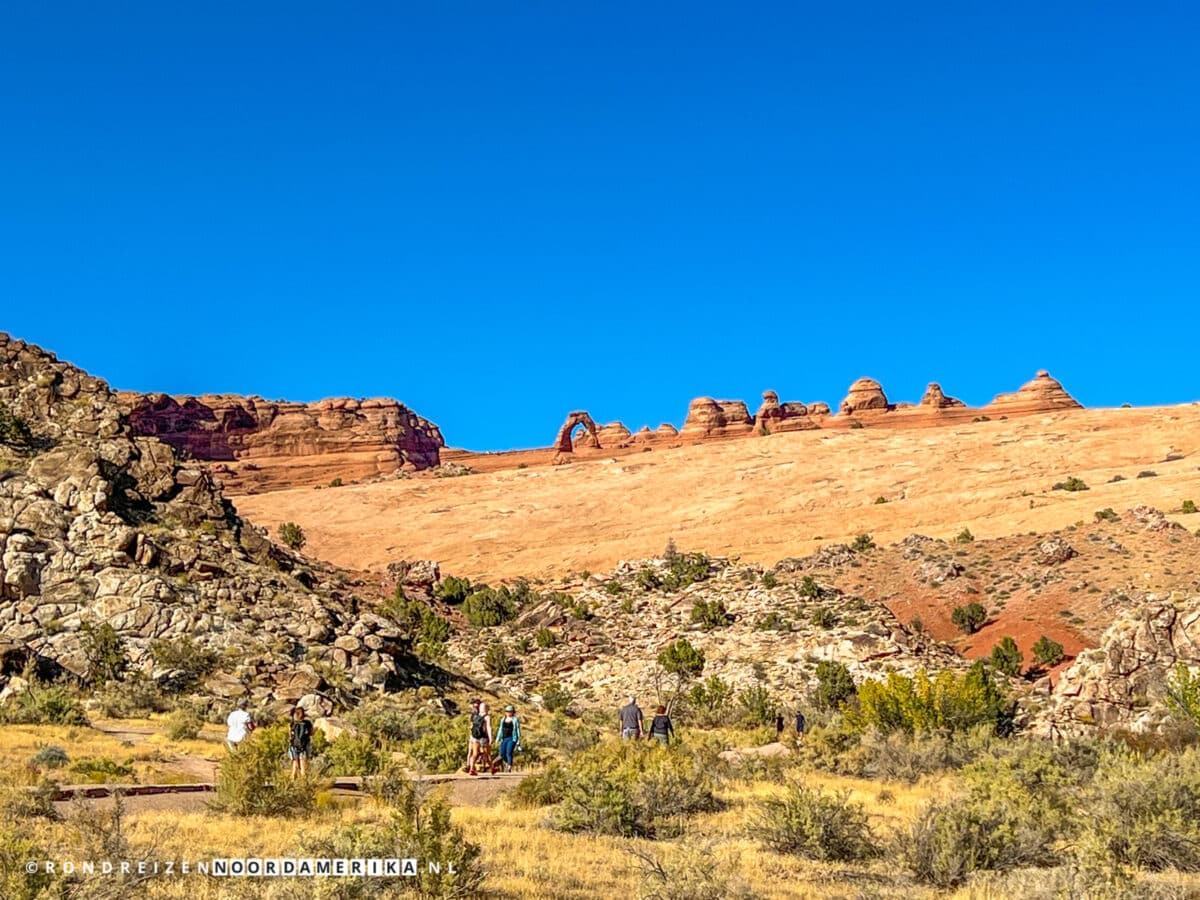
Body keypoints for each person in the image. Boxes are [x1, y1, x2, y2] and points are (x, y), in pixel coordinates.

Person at [470, 701, 497, 775]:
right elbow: (489, 727)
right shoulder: (487, 717)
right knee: (487, 754)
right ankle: (492, 768)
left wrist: (472, 737)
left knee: (475, 754)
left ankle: (471, 768)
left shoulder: (475, 716)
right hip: (484, 738)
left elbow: (471, 727)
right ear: (487, 709)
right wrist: (491, 738)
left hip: (475, 737)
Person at [289, 706, 314, 780]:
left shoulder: (293, 723)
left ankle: (293, 778)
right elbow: (312, 733)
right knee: (303, 763)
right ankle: (303, 780)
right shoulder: (308, 723)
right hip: (305, 745)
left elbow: (290, 734)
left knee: (295, 761)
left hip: (294, 745)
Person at [497, 704, 522, 771]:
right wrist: (498, 738)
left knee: (509, 752)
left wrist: (518, 740)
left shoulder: (515, 720)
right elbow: (500, 729)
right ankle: (508, 763)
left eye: (510, 711)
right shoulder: (503, 719)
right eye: (507, 711)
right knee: (502, 753)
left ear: (513, 712)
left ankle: (509, 767)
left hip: (512, 738)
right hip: (504, 738)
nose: (508, 713)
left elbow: (517, 729)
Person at [465, 698, 482, 773]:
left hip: (476, 735)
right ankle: (469, 765)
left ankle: (471, 765)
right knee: (472, 751)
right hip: (475, 734)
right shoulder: (475, 714)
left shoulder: (478, 714)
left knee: (474, 751)